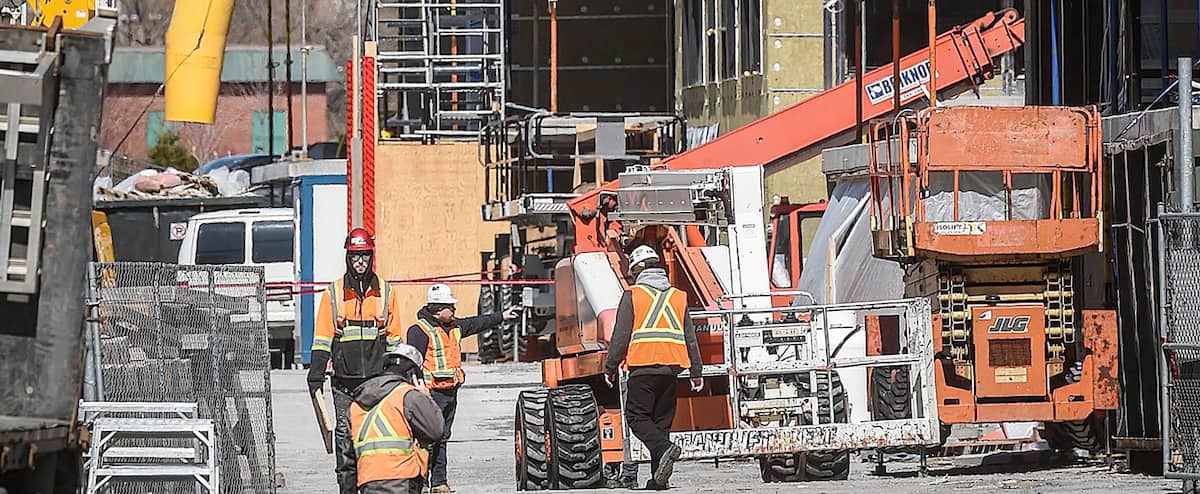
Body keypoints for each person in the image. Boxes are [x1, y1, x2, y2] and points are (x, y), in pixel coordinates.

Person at [308, 228, 405, 494]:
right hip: (344, 383)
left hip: (377, 383)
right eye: (354, 256)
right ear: (348, 258)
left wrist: (399, 374)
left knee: (376, 441)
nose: (360, 262)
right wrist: (316, 373)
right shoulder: (334, 293)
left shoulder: (386, 292)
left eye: (364, 256)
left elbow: (395, 339)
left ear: (371, 257)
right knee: (345, 441)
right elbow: (322, 337)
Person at [604, 245, 703, 490]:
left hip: (642, 368)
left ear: (637, 270)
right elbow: (690, 337)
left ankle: (664, 449)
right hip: (670, 371)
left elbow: (620, 336)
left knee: (637, 417)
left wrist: (610, 366)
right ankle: (659, 480)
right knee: (661, 424)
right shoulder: (678, 296)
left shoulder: (632, 295)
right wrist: (696, 372)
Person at [406, 283, 519, 493]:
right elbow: (412, 363)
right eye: (450, 306)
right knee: (425, 440)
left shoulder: (455, 326)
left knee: (442, 438)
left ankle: (439, 482)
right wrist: (417, 388)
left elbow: (478, 323)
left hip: (450, 392)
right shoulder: (419, 331)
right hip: (429, 394)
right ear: (437, 309)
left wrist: (502, 316)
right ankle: (420, 483)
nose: (454, 309)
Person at [344, 344, 444, 493]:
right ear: (413, 374)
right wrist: (426, 397)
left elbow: (347, 461)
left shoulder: (357, 403)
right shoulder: (409, 396)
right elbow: (436, 430)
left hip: (368, 482)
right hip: (403, 479)